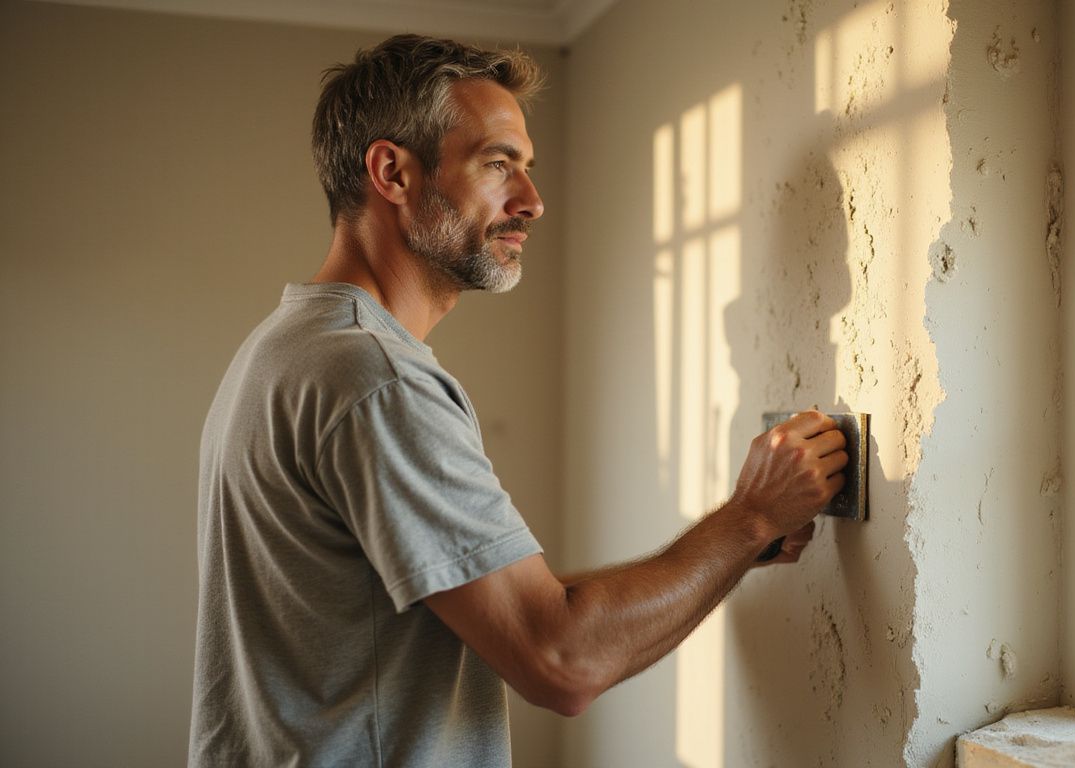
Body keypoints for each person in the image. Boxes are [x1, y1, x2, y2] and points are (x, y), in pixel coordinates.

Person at [188, 34, 848, 767]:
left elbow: (490, 605)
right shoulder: (376, 380)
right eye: (497, 164)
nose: (531, 202)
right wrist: (750, 514)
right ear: (393, 172)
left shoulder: (288, 348)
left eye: (525, 169)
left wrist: (736, 546)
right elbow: (560, 658)